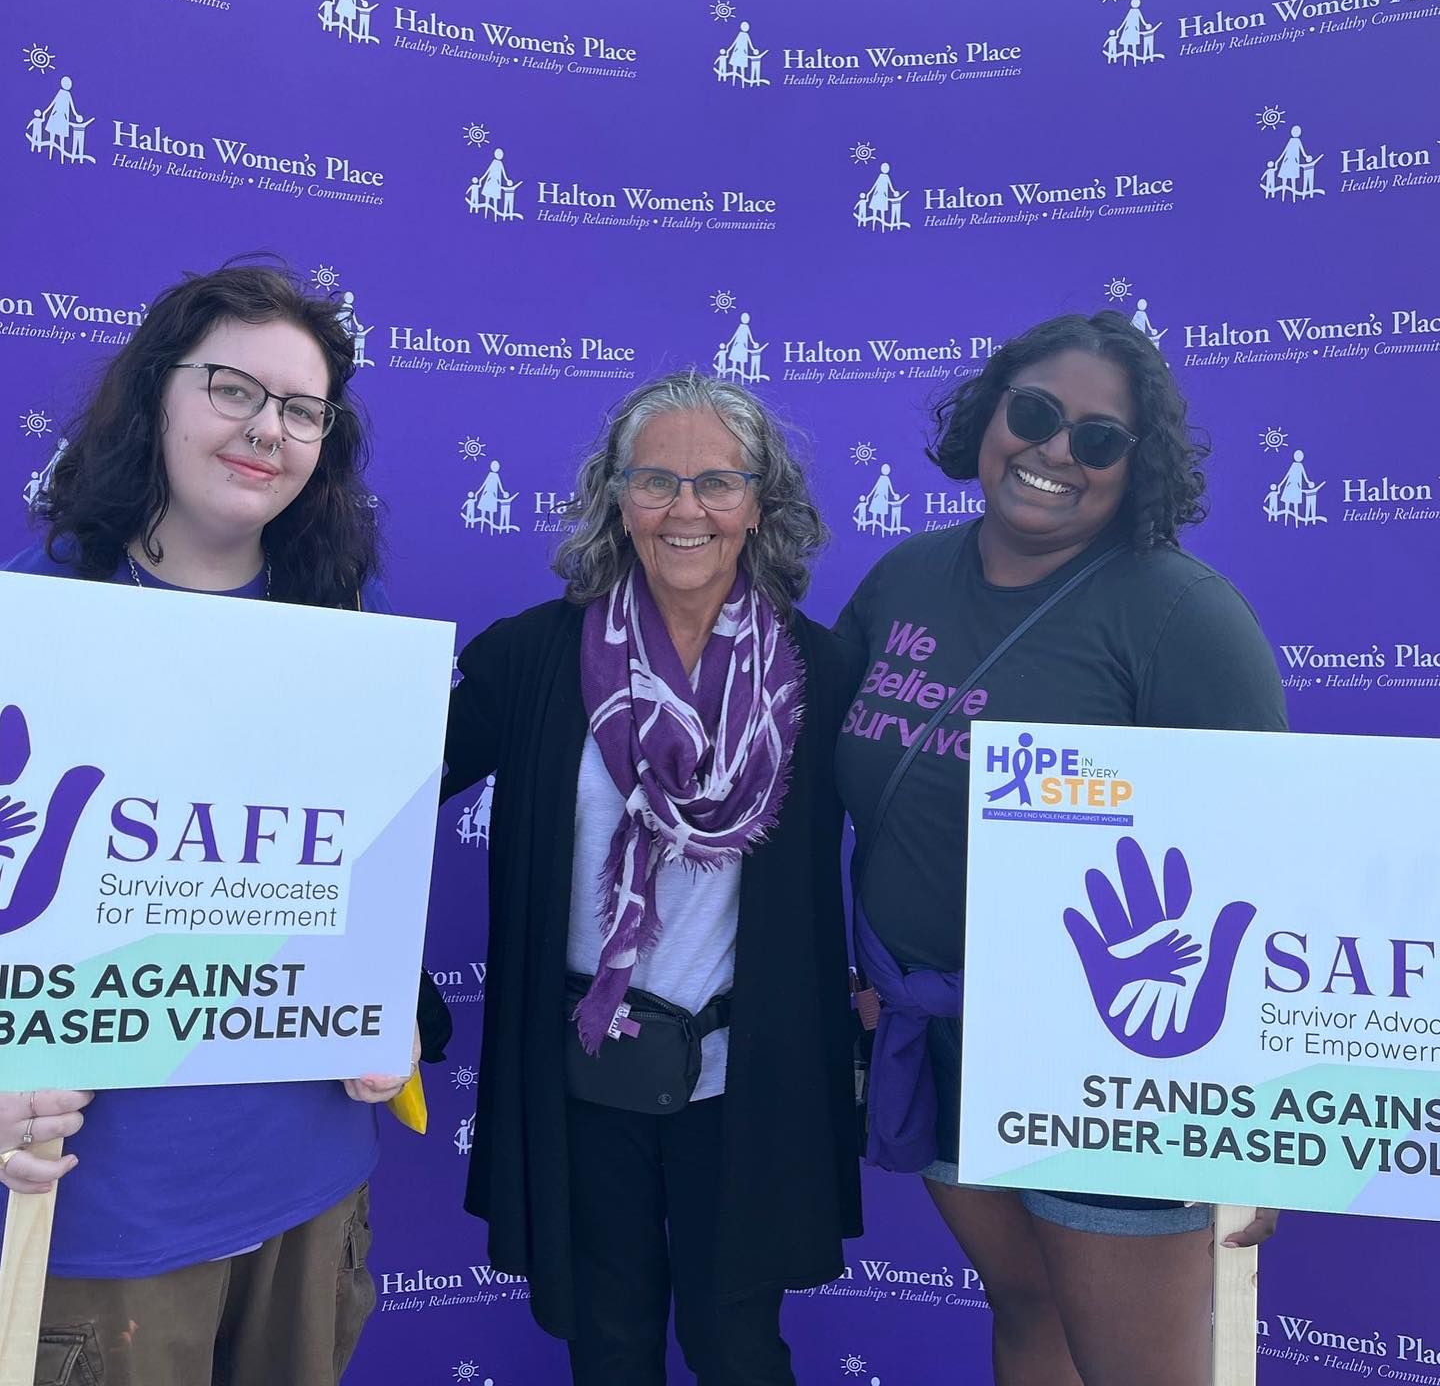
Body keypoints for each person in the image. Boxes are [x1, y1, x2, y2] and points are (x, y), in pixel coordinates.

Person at [0, 263, 452, 1386]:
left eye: (302, 409)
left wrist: (384, 1024)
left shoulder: (352, 644)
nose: (268, 430)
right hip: (98, 1213)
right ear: (157, 391)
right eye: (234, 389)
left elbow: (361, 915)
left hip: (307, 1192)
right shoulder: (31, 624)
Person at [834, 312, 1284, 1386]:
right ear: (988, 419)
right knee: (1028, 1304)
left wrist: (1256, 1124)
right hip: (934, 1030)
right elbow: (820, 768)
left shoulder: (1183, 617)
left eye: (1098, 439)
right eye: (1033, 415)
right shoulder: (905, 578)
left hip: (1116, 1057)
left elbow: (1269, 859)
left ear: (1139, 468)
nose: (1053, 452)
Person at [442, 371, 862, 1385]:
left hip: (746, 1078)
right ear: (615, 496)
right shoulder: (531, 660)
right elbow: (377, 798)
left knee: (739, 1348)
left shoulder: (821, 668)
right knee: (611, 1345)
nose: (687, 509)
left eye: (718, 481)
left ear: (760, 502)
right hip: (587, 1076)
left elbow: (908, 832)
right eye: (656, 479)